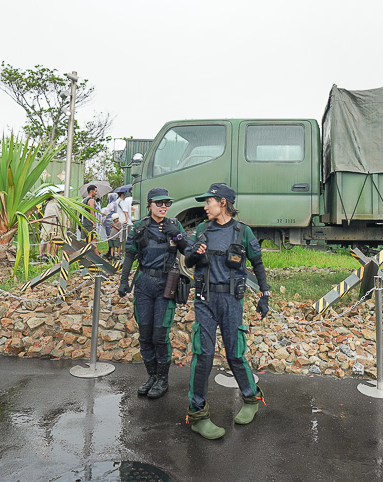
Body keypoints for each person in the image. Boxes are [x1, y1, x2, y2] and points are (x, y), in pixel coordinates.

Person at [184, 182, 271, 440]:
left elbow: (258, 264)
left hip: (232, 301)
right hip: (205, 300)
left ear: (223, 202)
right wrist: (195, 253)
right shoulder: (202, 230)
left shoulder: (243, 231)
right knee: (203, 355)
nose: (205, 206)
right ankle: (197, 415)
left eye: (208, 201)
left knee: (235, 353)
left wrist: (265, 296)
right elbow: (187, 260)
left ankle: (251, 399)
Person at [117, 188, 190, 399]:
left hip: (166, 285)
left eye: (167, 203)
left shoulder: (174, 225)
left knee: (160, 335)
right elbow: (130, 255)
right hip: (144, 285)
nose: (163, 207)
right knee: (145, 334)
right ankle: (152, 376)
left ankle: (162, 379)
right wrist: (124, 281)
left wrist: (176, 235)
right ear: (149, 205)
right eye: (159, 203)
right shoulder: (139, 227)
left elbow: (187, 250)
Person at [39, 196, 65, 261]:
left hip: (47, 223)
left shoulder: (48, 204)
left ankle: (42, 255)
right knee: (53, 238)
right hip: (54, 223)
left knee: (45, 239)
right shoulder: (56, 204)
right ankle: (52, 255)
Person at [102, 193, 121, 258]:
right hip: (111, 222)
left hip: (109, 223)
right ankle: (111, 252)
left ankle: (110, 253)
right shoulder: (115, 204)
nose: (107, 199)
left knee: (110, 237)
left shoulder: (111, 204)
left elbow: (106, 212)